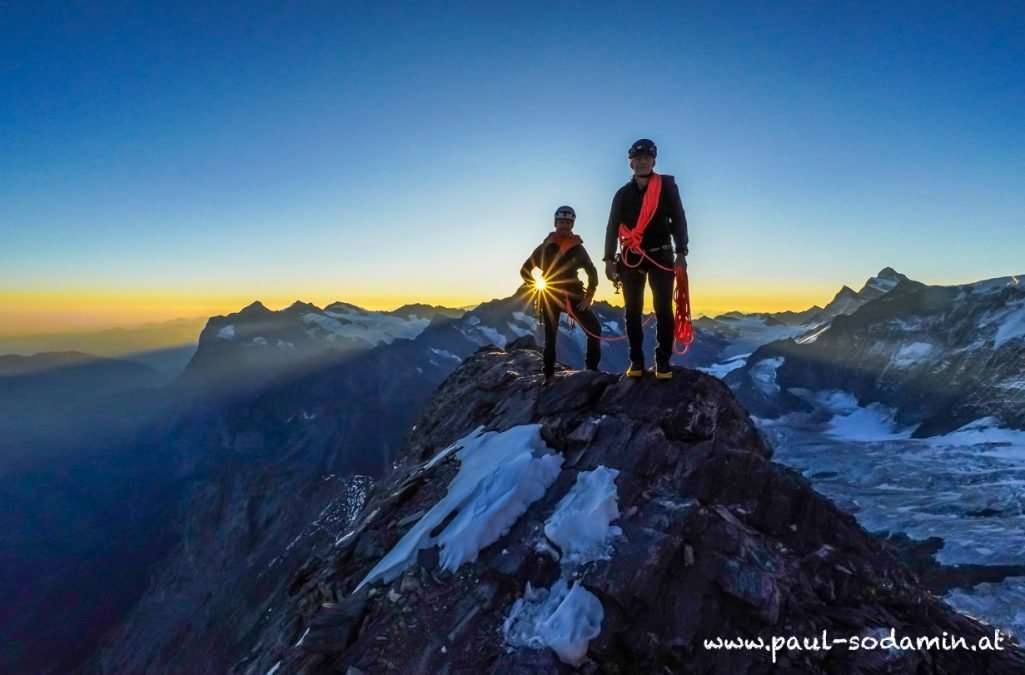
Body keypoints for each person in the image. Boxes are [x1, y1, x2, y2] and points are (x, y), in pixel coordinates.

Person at [603, 138, 688, 379]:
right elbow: (612, 226)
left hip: (661, 253)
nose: (642, 162)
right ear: (631, 164)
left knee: (663, 309)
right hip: (632, 256)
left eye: (646, 158)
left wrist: (681, 252)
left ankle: (662, 361)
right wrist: (609, 259)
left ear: (653, 161)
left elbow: (678, 219)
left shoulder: (667, 188)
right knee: (632, 311)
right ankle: (637, 362)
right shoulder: (622, 194)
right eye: (637, 159)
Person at [520, 205, 602, 383]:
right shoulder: (545, 247)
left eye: (567, 222)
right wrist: (536, 286)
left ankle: (591, 369)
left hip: (572, 296)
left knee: (594, 330)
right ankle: (548, 375)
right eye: (561, 222)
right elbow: (525, 270)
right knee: (551, 337)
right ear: (555, 223)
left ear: (572, 225)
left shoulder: (577, 248)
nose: (564, 225)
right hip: (552, 296)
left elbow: (592, 272)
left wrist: (589, 297)